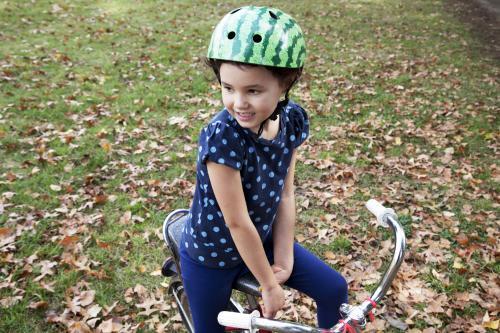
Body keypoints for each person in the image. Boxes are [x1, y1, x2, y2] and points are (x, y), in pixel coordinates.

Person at [179, 5, 348, 332]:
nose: (238, 102)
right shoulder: (223, 137)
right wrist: (269, 285)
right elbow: (236, 222)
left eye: (253, 90)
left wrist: (283, 257)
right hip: (211, 254)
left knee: (334, 290)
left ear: (284, 85)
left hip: (263, 238)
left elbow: (285, 194)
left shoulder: (290, 121)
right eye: (228, 88)